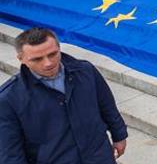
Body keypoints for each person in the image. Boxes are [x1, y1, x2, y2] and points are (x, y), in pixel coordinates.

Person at [0, 28, 128, 163]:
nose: (48, 63)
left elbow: (107, 105)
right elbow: (10, 152)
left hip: (99, 157)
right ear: (21, 59)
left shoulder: (85, 71)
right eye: (37, 59)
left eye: (52, 54)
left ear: (59, 48)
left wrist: (119, 135)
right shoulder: (8, 99)